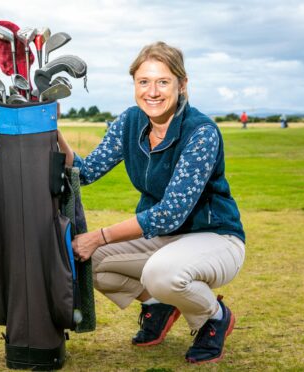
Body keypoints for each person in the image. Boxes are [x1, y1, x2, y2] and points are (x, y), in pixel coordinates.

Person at [57, 41, 245, 364]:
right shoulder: (130, 122)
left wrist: (99, 236)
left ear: (182, 85)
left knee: (161, 272)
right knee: (86, 261)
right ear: (134, 85)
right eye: (144, 82)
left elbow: (169, 214)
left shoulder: (201, 132)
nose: (152, 92)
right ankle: (159, 304)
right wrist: (51, 128)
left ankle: (213, 317)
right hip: (163, 241)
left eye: (163, 82)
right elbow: (84, 171)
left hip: (216, 237)